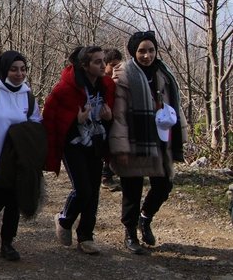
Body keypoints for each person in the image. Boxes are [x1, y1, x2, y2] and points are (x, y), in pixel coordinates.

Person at [109, 31, 187, 254]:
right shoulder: (124, 75)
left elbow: (174, 106)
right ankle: (130, 233)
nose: (147, 55)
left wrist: (180, 135)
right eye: (142, 51)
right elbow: (119, 115)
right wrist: (121, 148)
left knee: (164, 185)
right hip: (135, 139)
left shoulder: (163, 73)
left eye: (151, 50)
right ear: (133, 52)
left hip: (160, 139)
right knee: (132, 190)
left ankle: (145, 218)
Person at [42, 46, 115, 255]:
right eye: (97, 62)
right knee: (83, 190)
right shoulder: (65, 89)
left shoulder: (107, 86)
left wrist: (109, 118)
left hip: (96, 142)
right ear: (84, 65)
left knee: (93, 192)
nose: (103, 65)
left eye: (103, 61)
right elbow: (51, 117)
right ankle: (64, 219)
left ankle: (86, 236)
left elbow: (114, 113)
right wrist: (76, 121)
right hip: (73, 144)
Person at [0, 50, 42, 262]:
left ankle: (7, 243)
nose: (19, 74)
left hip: (16, 161)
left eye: (23, 69)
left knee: (14, 202)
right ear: (4, 70)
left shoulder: (28, 96)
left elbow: (35, 124)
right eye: (14, 69)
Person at [101, 48, 124, 191]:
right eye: (113, 65)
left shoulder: (119, 80)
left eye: (118, 65)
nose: (116, 68)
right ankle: (106, 176)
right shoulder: (101, 81)